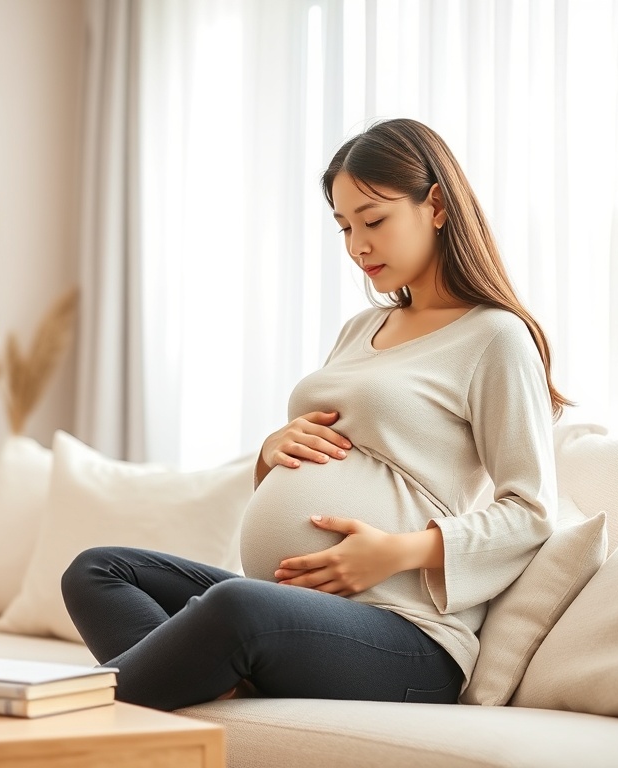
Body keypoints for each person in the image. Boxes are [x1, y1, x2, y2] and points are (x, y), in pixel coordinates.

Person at [61, 118, 570, 711]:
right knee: (97, 571)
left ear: (435, 205)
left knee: (235, 609)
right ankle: (207, 675)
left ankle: (58, 717)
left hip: (405, 637)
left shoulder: (494, 337)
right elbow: (324, 465)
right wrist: (270, 453)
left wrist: (396, 551)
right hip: (295, 609)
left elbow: (531, 512)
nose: (358, 246)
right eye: (345, 226)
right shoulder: (361, 329)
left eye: (374, 221)